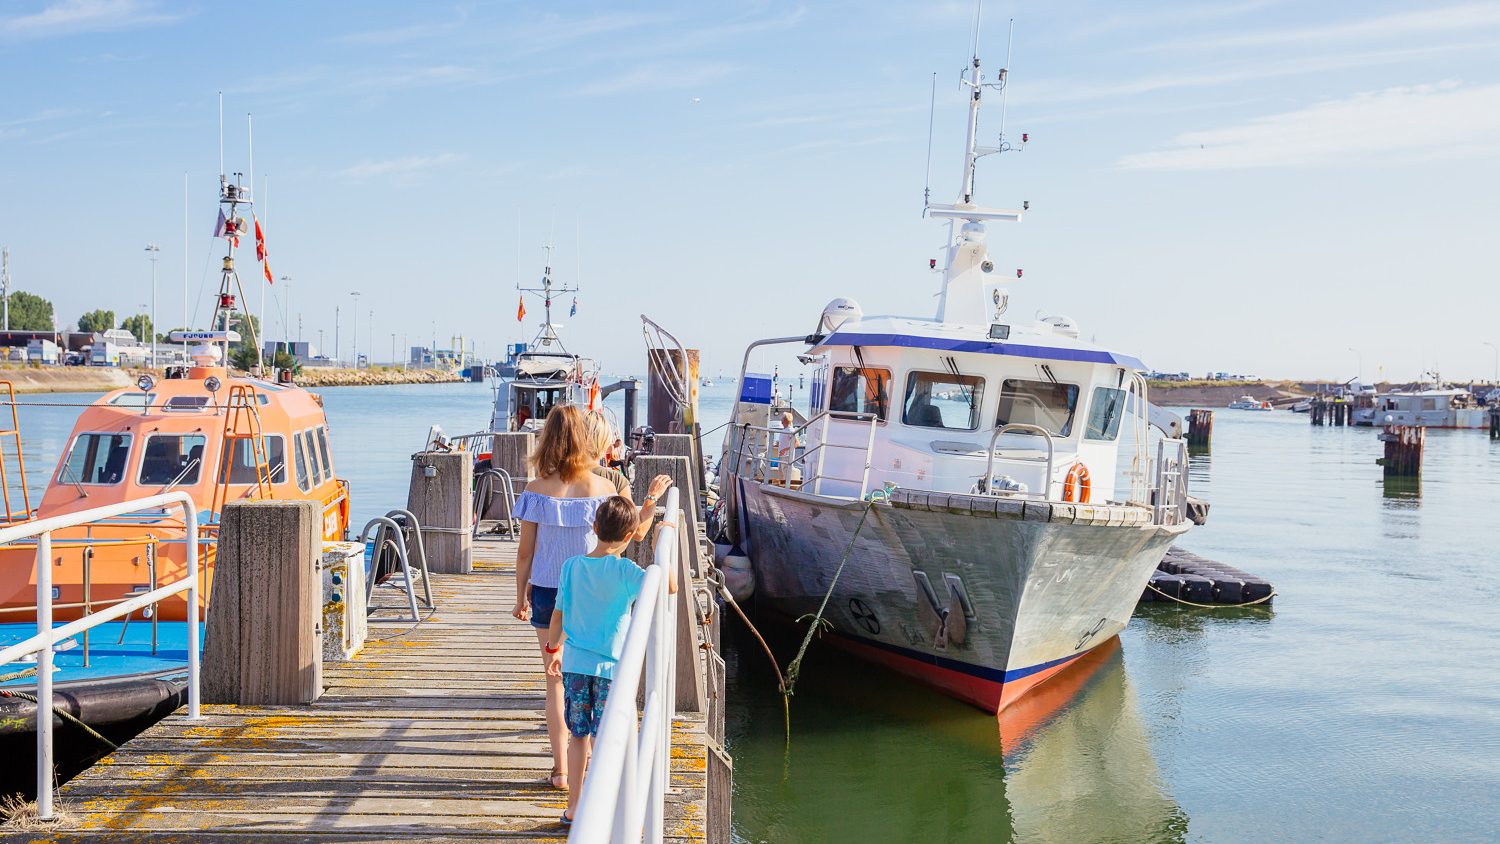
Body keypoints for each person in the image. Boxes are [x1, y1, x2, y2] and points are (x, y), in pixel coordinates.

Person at [511, 405, 671, 792]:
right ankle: (599, 767)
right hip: (589, 588)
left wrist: (521, 595)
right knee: (589, 674)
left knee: (555, 681)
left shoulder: (536, 489)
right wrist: (652, 506)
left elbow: (525, 552)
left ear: (546, 440)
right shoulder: (605, 489)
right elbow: (630, 532)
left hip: (550, 590)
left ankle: (562, 771)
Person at [544, 496, 678, 826]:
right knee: (610, 736)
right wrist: (661, 539)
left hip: (575, 664)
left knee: (579, 735)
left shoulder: (571, 566)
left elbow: (558, 615)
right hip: (610, 669)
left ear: (594, 528)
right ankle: (610, 807)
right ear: (632, 534)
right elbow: (670, 587)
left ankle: (574, 806)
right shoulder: (626, 571)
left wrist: (552, 650)